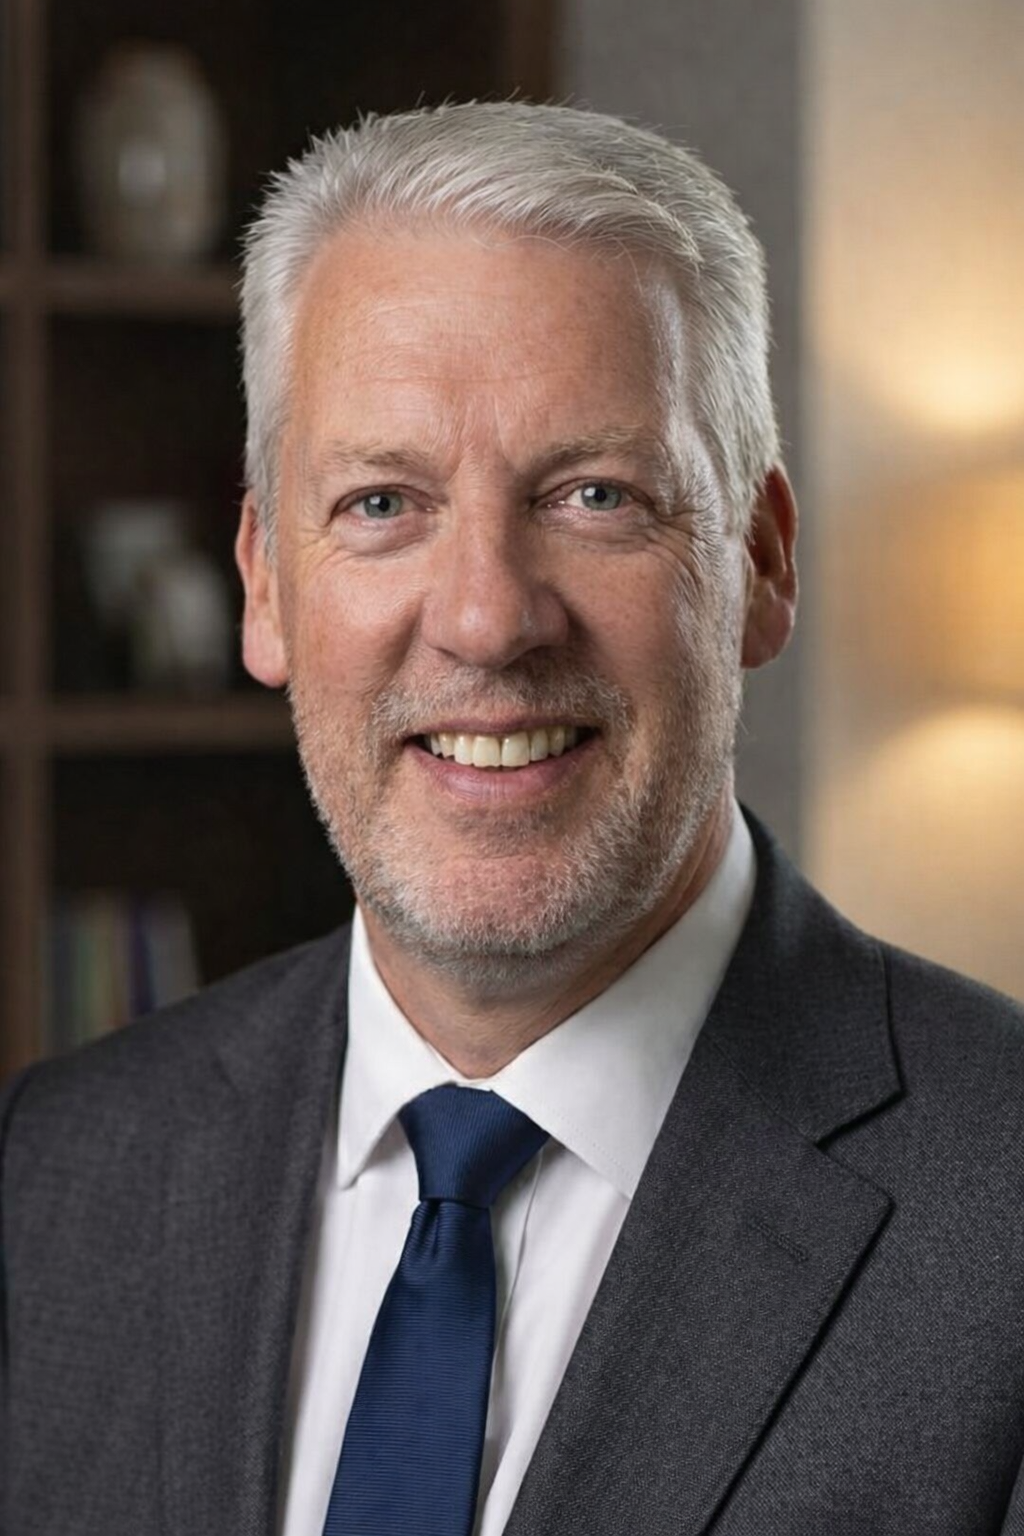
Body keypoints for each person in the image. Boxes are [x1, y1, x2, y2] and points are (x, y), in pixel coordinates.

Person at [2, 101, 1024, 1536]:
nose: (486, 619)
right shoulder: (58, 1178)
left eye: (596, 495)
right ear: (265, 583)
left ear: (763, 562)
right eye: (381, 503)